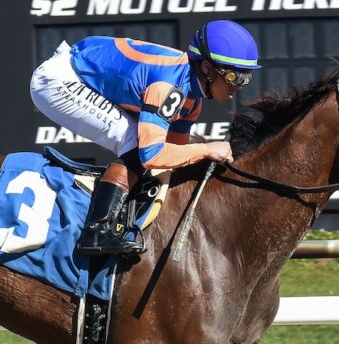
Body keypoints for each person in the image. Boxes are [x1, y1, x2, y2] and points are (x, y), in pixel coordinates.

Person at [30, 20, 262, 256]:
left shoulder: (192, 101)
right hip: (58, 81)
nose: (239, 86)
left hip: (84, 68)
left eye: (246, 78)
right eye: (235, 76)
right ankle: (96, 232)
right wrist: (207, 149)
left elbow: (174, 154)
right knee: (135, 142)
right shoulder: (168, 88)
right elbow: (153, 155)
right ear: (205, 68)